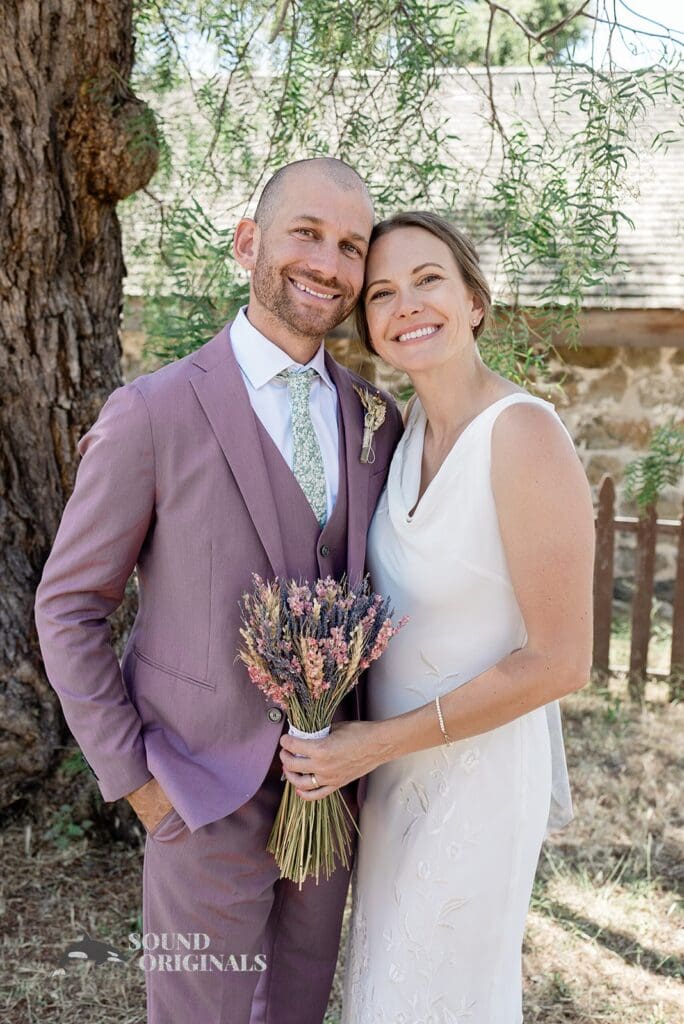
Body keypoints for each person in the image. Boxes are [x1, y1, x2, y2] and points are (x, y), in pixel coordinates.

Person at [34, 157, 403, 1024]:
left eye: (351, 246)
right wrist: (138, 782)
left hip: (330, 796)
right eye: (306, 233)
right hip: (197, 794)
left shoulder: (376, 422)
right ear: (247, 244)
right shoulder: (152, 412)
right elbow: (69, 607)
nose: (328, 263)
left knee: (297, 1009)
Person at [279, 211, 595, 1023]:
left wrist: (374, 743)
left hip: (476, 779)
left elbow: (562, 662)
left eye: (428, 281)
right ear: (369, 327)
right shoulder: (400, 431)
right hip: (390, 775)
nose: (407, 305)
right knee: (384, 989)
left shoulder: (522, 434)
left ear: (474, 301)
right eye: (382, 293)